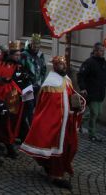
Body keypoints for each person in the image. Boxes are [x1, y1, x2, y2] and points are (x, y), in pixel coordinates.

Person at [19, 56, 85, 190]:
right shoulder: (51, 84)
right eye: (61, 65)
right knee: (56, 150)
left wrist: (78, 104)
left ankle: (53, 169)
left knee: (71, 146)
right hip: (56, 125)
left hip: (66, 123)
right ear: (55, 66)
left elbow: (71, 96)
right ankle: (55, 175)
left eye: (64, 64)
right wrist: (54, 122)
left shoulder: (66, 79)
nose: (64, 67)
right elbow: (47, 108)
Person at [77, 42, 106, 142]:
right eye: (101, 50)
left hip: (100, 92)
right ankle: (92, 134)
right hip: (91, 92)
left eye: (103, 51)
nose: (103, 52)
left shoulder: (103, 62)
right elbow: (80, 75)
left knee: (98, 113)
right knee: (94, 113)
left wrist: (105, 84)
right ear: (95, 51)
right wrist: (83, 88)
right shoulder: (89, 62)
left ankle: (79, 122)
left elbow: (105, 75)